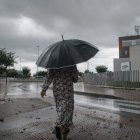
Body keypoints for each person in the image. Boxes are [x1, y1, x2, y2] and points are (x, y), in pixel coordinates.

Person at [40, 65, 79, 140]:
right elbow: (75, 79)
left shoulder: (53, 63)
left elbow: (49, 77)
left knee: (60, 109)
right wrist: (76, 72)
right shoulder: (71, 63)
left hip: (57, 90)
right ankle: (57, 125)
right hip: (68, 90)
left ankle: (63, 132)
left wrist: (44, 89)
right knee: (68, 111)